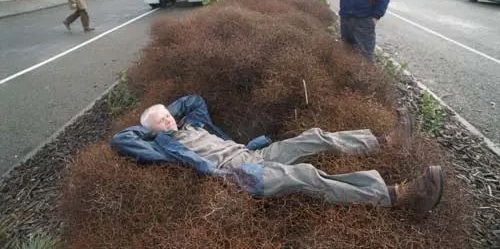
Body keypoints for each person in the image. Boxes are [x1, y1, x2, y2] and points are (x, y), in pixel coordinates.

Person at [111, 94, 444, 215]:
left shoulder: (192, 122)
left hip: (252, 154)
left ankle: (388, 142)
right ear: (153, 131)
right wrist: (153, 128)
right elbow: (121, 139)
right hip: (240, 175)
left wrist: (165, 112)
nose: (168, 120)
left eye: (168, 115)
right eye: (161, 121)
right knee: (307, 176)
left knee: (313, 138)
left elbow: (194, 98)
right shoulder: (162, 147)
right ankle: (399, 196)